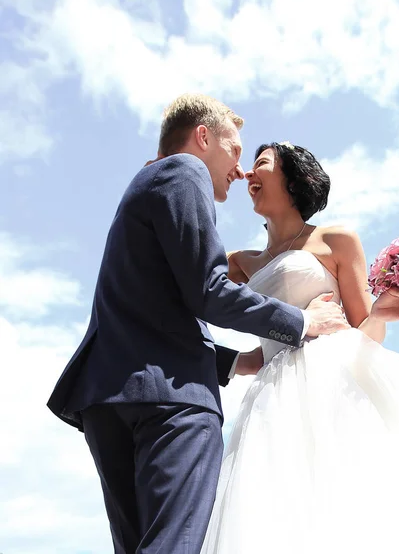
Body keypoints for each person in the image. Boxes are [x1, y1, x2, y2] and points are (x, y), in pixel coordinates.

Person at [46, 98, 349, 554]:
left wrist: (236, 362)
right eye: (236, 150)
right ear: (204, 138)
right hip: (168, 400)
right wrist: (303, 320)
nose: (240, 169)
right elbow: (208, 290)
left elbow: (153, 306)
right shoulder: (184, 171)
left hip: (110, 398)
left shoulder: (144, 185)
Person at [201, 141, 399, 554]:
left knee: (351, 500)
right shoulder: (240, 261)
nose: (248, 174)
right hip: (271, 401)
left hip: (333, 379)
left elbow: (364, 330)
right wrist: (239, 362)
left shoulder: (336, 239)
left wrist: (381, 315)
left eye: (261, 164)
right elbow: (203, 294)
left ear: (293, 177)